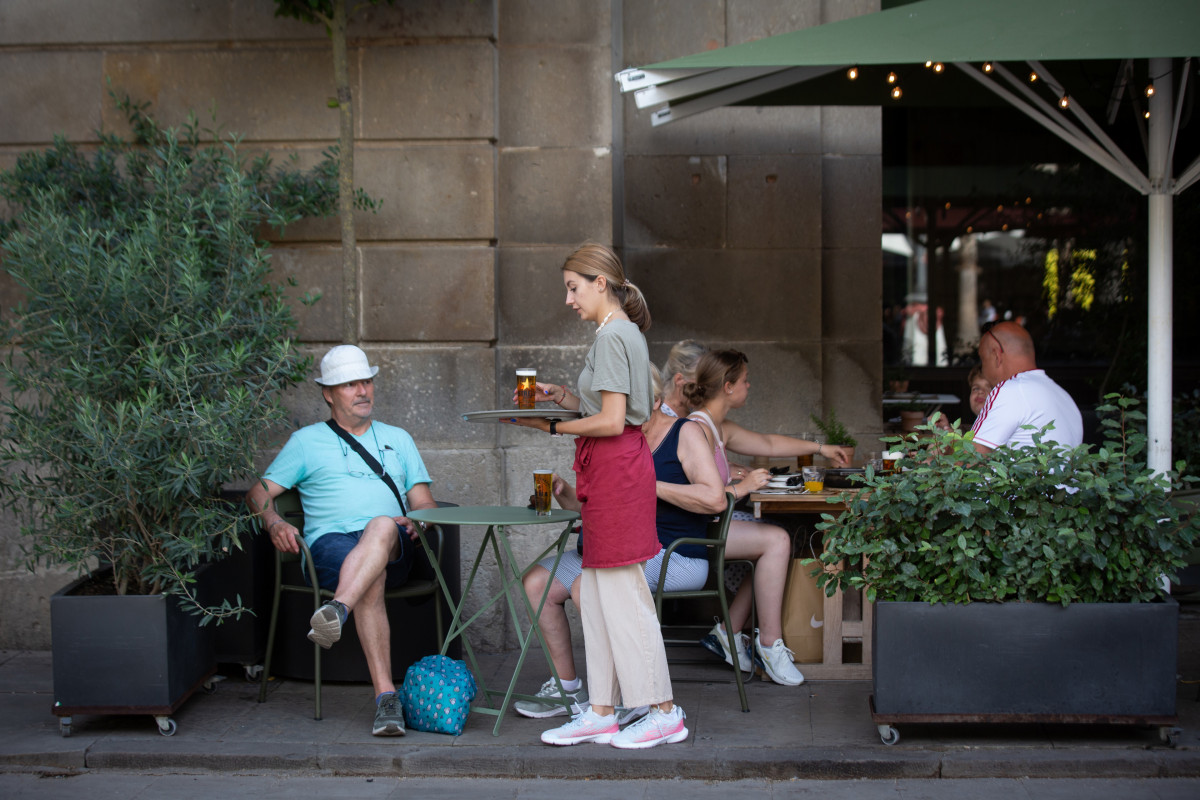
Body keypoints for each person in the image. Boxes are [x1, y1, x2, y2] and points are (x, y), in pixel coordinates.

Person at [506, 243, 687, 749]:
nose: (568, 299)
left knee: (624, 597)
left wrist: (551, 426)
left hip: (617, 471)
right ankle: (603, 711)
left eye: (573, 287)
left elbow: (611, 420)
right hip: (614, 470)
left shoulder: (613, 336)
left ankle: (664, 711)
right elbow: (614, 407)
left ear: (600, 283)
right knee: (602, 597)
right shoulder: (618, 332)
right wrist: (565, 397)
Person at [514, 366, 726, 724]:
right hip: (612, 547)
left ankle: (627, 695)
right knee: (537, 583)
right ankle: (569, 689)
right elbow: (600, 507)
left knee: (591, 587)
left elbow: (714, 499)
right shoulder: (620, 440)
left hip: (675, 553)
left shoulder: (684, 432)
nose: (617, 416)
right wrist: (568, 496)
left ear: (656, 401)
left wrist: (647, 484)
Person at [245, 345, 437, 737]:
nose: (362, 390)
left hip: (393, 542)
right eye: (350, 384)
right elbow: (258, 493)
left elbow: (425, 503)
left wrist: (421, 521)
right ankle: (387, 700)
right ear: (328, 393)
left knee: (381, 526)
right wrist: (273, 522)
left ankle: (336, 610)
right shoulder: (305, 442)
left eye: (366, 381)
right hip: (330, 546)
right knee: (371, 576)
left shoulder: (398, 438)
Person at [683, 349, 854, 685]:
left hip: (714, 522)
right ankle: (768, 645)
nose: (750, 384)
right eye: (745, 380)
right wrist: (742, 484)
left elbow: (767, 442)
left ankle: (728, 631)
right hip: (694, 529)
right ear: (728, 387)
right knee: (777, 539)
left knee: (782, 533)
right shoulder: (695, 428)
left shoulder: (717, 426)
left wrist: (821, 449)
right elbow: (696, 491)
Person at [972, 321, 1083, 452]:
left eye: (983, 359)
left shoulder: (1009, 391)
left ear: (997, 355)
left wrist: (942, 442)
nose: (983, 370)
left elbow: (969, 460)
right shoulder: (1064, 396)